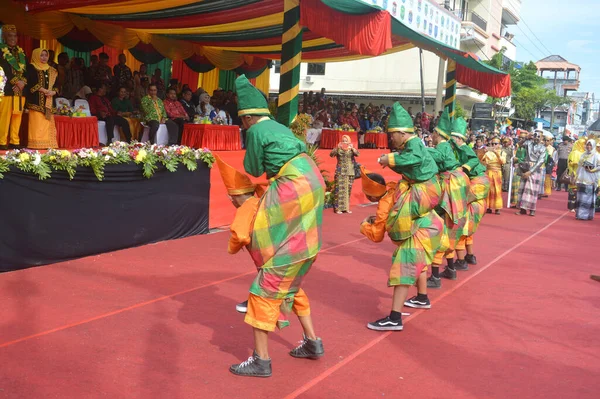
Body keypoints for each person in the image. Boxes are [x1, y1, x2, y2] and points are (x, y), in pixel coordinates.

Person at [229, 75, 325, 378]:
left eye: (242, 120)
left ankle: (261, 360)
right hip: (310, 177)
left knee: (266, 283)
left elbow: (254, 168)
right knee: (291, 272)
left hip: (292, 184)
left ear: (246, 117)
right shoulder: (280, 126)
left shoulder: (255, 129)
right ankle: (312, 342)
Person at [368, 103, 443, 330]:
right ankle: (422, 297)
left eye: (392, 135)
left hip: (422, 217)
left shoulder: (414, 147)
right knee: (415, 263)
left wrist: (388, 159)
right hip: (429, 220)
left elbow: (410, 161)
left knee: (403, 264)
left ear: (403, 133)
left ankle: (395, 317)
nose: (391, 140)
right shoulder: (416, 147)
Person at [425, 110, 470, 287]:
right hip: (454, 185)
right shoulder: (445, 147)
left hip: (449, 187)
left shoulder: (442, 147)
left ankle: (435, 276)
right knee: (448, 228)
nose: (432, 136)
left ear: (437, 134)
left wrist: (422, 150)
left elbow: (438, 157)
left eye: (433, 133)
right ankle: (450, 268)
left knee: (440, 227)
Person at [449, 118, 490, 267]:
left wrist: (462, 169)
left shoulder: (464, 148)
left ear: (459, 138)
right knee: (469, 223)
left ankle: (459, 260)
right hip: (478, 187)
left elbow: (472, 160)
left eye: (452, 138)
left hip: (477, 184)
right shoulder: (458, 149)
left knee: (460, 219)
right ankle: (470, 256)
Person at [24, 48, 58, 149]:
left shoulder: (52, 70)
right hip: (36, 101)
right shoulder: (31, 67)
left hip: (49, 101)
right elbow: (30, 83)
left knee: (46, 124)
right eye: (41, 55)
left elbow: (56, 85)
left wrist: (53, 91)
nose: (44, 57)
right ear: (36, 56)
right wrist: (43, 90)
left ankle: (47, 144)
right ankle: (36, 145)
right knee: (37, 124)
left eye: (45, 55)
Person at [0, 25, 27, 150]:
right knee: (4, 116)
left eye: (15, 36)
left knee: (17, 115)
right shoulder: (1, 51)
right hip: (6, 89)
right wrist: (16, 82)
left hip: (20, 90)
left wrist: (22, 82)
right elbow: (4, 69)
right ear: (4, 37)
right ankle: (2, 141)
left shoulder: (21, 52)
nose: (13, 38)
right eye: (10, 36)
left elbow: (26, 71)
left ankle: (14, 141)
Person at [515, 131, 546, 217]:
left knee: (532, 190)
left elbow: (540, 161)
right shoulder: (528, 143)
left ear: (541, 138)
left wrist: (530, 171)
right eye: (535, 136)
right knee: (523, 188)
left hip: (535, 169)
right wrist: (526, 137)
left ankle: (532, 209)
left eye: (538, 136)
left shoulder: (543, 148)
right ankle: (522, 209)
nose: (536, 138)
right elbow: (519, 144)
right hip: (526, 166)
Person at [329, 135, 359, 214]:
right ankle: (337, 208)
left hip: (350, 172)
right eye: (343, 140)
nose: (345, 142)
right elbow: (331, 154)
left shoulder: (351, 149)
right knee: (339, 190)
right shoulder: (339, 149)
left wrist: (352, 148)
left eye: (346, 140)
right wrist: (337, 147)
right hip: (340, 171)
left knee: (348, 190)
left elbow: (357, 154)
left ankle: (346, 208)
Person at [574, 139, 600, 220]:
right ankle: (579, 214)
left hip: (590, 179)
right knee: (580, 197)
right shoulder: (583, 154)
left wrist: (591, 170)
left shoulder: (596, 155)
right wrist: (576, 176)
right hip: (582, 179)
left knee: (587, 198)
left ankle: (585, 215)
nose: (588, 147)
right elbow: (579, 166)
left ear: (593, 146)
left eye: (590, 145)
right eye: (587, 145)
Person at [481, 138, 507, 214]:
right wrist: (483, 152)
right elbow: (482, 160)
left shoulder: (502, 152)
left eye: (496, 144)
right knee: (488, 189)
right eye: (492, 144)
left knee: (497, 190)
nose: (494, 145)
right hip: (489, 172)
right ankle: (488, 206)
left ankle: (497, 207)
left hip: (497, 172)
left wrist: (497, 153)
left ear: (499, 145)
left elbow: (503, 161)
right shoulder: (488, 153)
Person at [509, 131, 528, 208]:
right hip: (516, 167)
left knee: (521, 186)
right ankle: (515, 202)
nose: (520, 139)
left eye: (522, 138)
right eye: (519, 137)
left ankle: (521, 203)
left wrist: (518, 159)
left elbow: (526, 158)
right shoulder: (516, 147)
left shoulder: (527, 148)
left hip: (523, 168)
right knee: (515, 185)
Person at [567, 138, 587, 212]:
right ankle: (571, 206)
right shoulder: (575, 152)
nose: (585, 146)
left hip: (582, 174)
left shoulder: (585, 153)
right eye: (583, 144)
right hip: (575, 173)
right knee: (573, 190)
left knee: (580, 191)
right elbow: (570, 163)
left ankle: (577, 206)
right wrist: (573, 172)